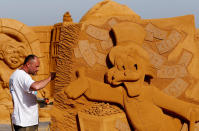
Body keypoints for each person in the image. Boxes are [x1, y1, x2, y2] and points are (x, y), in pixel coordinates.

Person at [9, 54, 56, 131]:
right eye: (36, 66)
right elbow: (36, 86)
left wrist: (41, 101)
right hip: (26, 122)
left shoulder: (15, 75)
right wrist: (50, 78)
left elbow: (23, 96)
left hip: (23, 120)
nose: (37, 69)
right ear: (28, 64)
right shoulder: (22, 76)